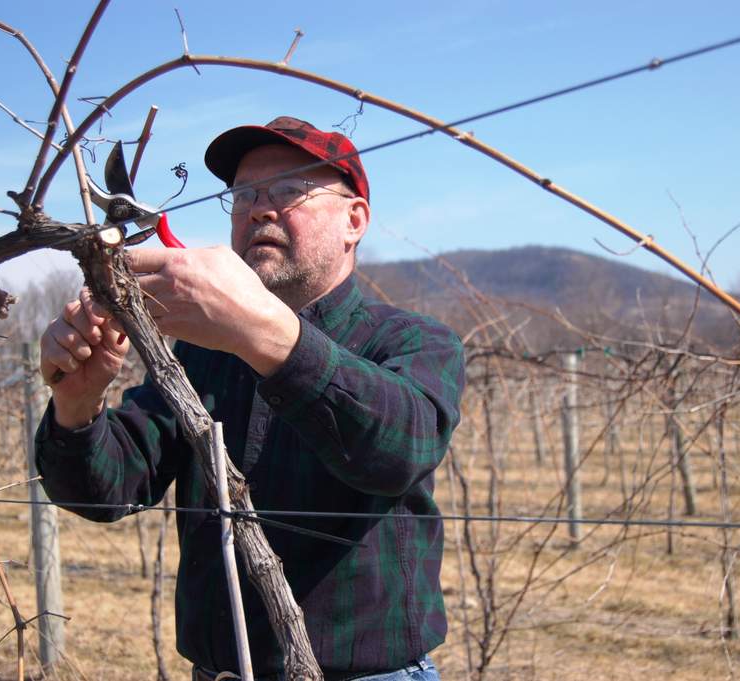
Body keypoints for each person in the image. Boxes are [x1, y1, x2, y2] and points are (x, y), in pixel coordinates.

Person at [34, 116, 465, 681]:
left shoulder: (412, 340)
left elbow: (400, 448)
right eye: (243, 195)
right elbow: (106, 492)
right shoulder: (203, 352)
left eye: (291, 191)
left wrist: (260, 333)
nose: (261, 209)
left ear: (354, 220)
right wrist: (77, 405)